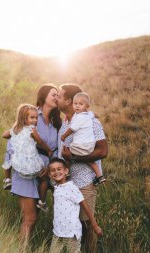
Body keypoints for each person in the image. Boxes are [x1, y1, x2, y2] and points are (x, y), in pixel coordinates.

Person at [1, 84, 61, 244]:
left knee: (42, 215)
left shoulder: (57, 120)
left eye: (58, 95)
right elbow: (13, 141)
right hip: (26, 171)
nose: (57, 97)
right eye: (53, 94)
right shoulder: (31, 115)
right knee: (30, 219)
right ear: (43, 97)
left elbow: (54, 149)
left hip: (49, 171)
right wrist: (10, 165)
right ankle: (21, 248)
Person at [57, 83, 108, 253]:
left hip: (85, 181)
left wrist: (74, 158)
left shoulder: (91, 122)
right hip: (68, 183)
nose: (57, 98)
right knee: (73, 224)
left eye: (59, 96)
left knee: (87, 223)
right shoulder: (65, 123)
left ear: (69, 101)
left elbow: (103, 150)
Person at [48, 158, 103, 253]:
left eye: (59, 169)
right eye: (53, 170)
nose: (56, 172)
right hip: (57, 232)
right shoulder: (56, 188)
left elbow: (85, 205)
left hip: (71, 232)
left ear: (66, 171)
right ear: (49, 175)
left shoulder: (71, 188)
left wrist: (95, 225)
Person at [60, 92, 106, 185]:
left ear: (87, 106)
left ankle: (67, 173)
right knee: (90, 160)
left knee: (66, 153)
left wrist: (64, 136)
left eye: (80, 104)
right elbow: (94, 114)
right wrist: (94, 114)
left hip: (84, 181)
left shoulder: (79, 118)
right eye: (75, 104)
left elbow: (72, 129)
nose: (77, 106)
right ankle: (99, 176)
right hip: (89, 146)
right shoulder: (88, 115)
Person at [2, 103, 53, 180]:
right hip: (29, 158)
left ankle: (7, 179)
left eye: (36, 118)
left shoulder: (17, 129)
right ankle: (8, 180)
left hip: (18, 159)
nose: (35, 120)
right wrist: (49, 150)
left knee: (8, 157)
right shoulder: (32, 129)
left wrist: (13, 130)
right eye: (32, 118)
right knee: (42, 172)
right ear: (23, 118)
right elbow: (40, 142)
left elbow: (4, 135)